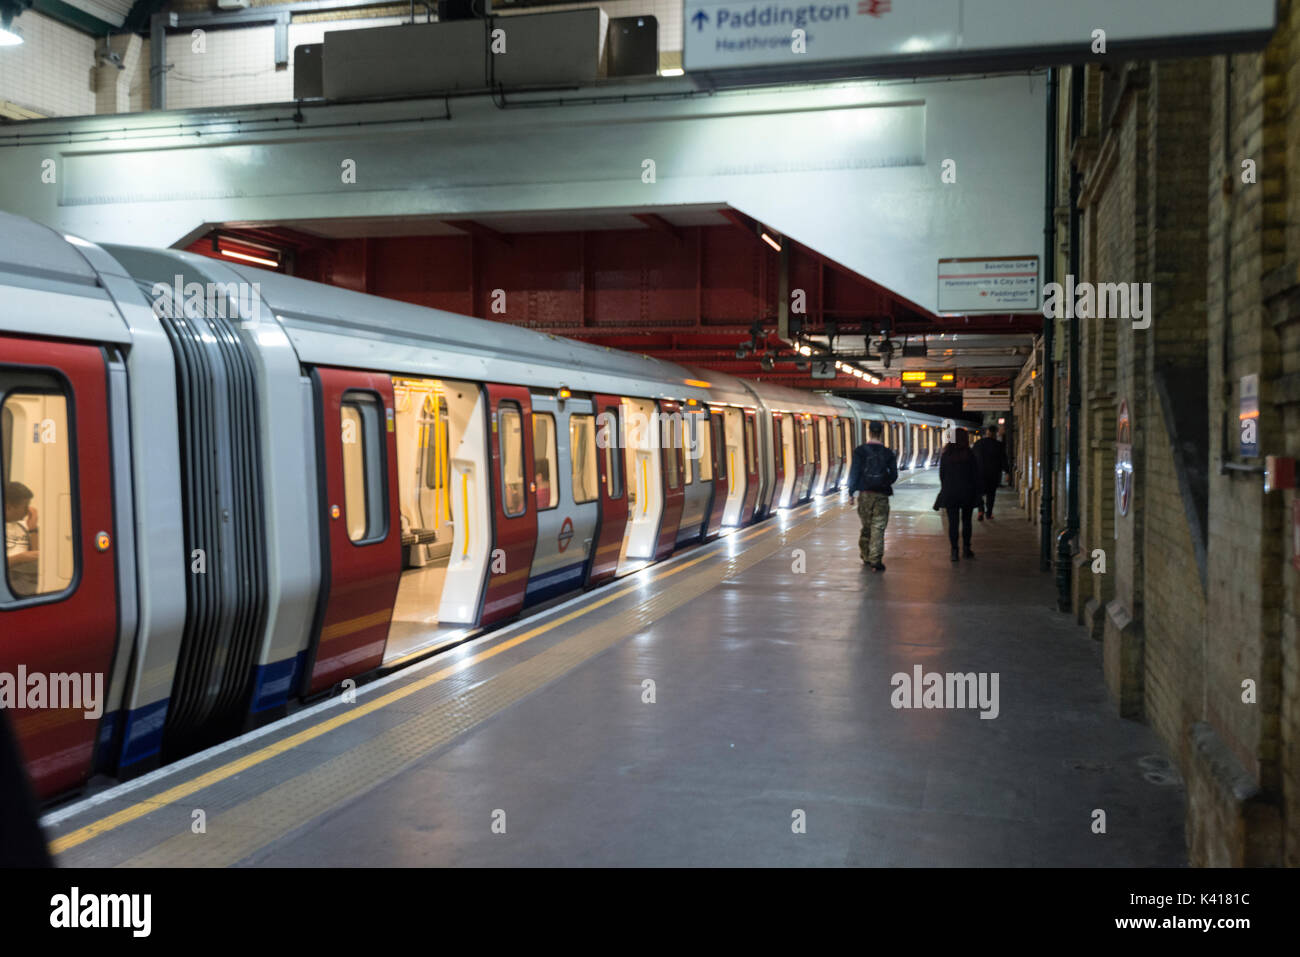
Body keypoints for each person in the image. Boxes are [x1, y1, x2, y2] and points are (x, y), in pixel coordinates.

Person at [846, 421, 899, 572]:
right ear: (881, 432)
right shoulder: (888, 453)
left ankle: (866, 556)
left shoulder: (860, 451)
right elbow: (894, 475)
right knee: (879, 526)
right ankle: (876, 559)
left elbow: (854, 473)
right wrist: (884, 483)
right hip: (881, 496)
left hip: (864, 495)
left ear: (869, 432)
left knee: (866, 527)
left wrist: (851, 492)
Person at [937, 429, 981, 562]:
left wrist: (947, 486)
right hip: (967, 493)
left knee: (953, 523)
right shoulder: (970, 455)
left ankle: (954, 551)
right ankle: (966, 549)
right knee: (967, 522)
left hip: (951, 493)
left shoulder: (946, 455)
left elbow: (942, 475)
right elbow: (976, 476)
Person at [4, 481, 39, 597]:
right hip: (9, 578)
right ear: (9, 507)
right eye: (25, 506)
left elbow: (37, 554)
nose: (28, 510)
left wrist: (33, 528)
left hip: (29, 577)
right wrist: (21, 558)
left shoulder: (24, 525)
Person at [972, 426, 1010, 521]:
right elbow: (1003, 460)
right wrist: (1007, 472)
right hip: (993, 474)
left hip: (979, 473)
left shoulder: (978, 443)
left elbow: (972, 458)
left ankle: (980, 510)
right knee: (991, 494)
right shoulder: (999, 445)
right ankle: (989, 514)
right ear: (995, 433)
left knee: (979, 493)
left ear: (987, 433)